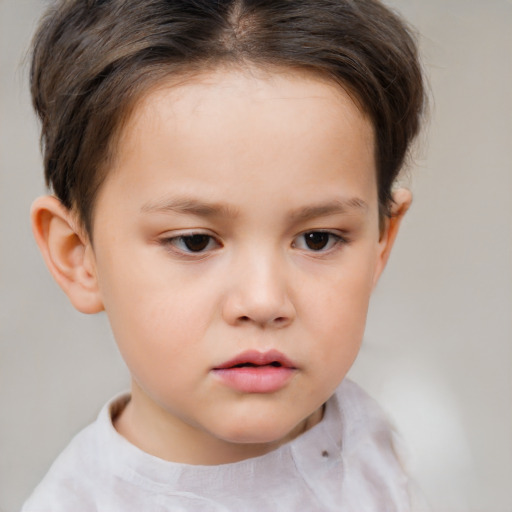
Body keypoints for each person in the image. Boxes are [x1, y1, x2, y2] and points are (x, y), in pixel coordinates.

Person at [22, 0, 426, 510]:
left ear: (380, 243)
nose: (262, 301)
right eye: (194, 241)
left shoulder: (379, 439)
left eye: (318, 239)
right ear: (79, 255)